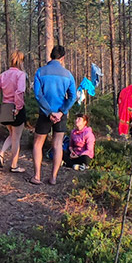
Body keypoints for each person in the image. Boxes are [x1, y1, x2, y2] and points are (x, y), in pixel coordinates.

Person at [30, 45, 77, 185]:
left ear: (51, 56)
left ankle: (37, 176)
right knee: (57, 144)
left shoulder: (41, 71)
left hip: (45, 113)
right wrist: (61, 112)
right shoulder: (68, 75)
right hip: (61, 115)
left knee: (38, 144)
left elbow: (38, 94)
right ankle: (53, 178)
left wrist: (49, 112)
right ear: (62, 58)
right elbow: (73, 96)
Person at [0, 50, 28, 173]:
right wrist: (18, 107)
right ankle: (14, 165)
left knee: (12, 135)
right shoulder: (21, 75)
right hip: (16, 109)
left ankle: (1, 154)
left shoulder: (3, 74)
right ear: (21, 61)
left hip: (5, 108)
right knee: (16, 138)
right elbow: (19, 92)